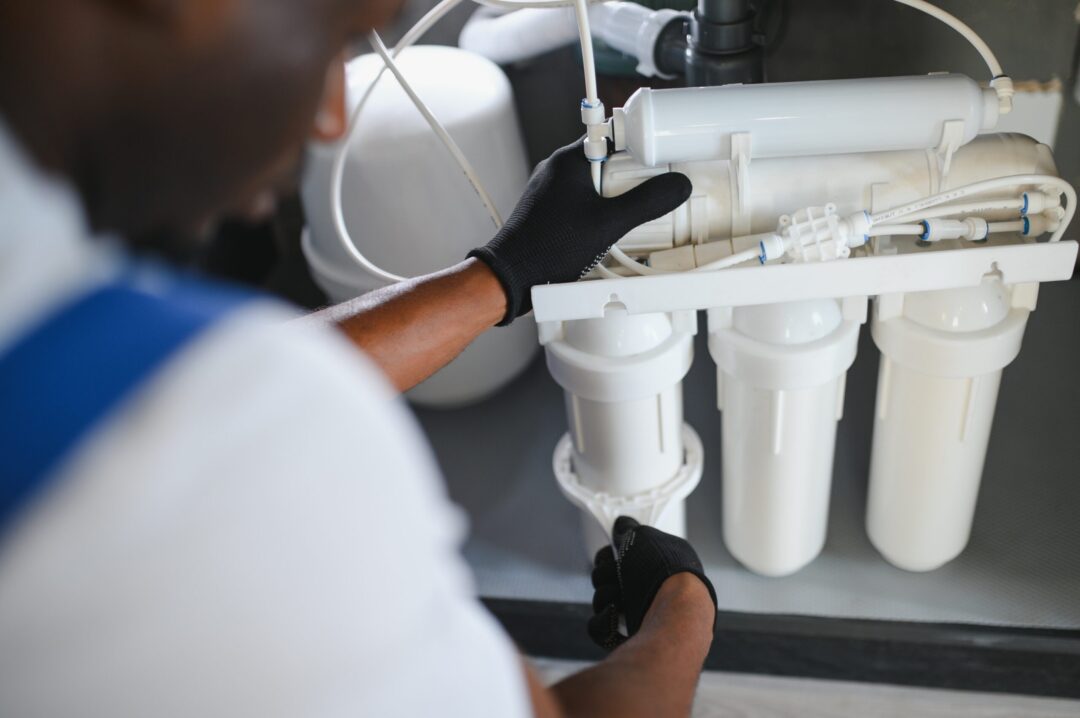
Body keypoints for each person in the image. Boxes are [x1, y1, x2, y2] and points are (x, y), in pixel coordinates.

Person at [0, 1, 718, 716]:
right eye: (334, 36)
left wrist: (505, 273)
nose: (330, 118)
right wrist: (683, 606)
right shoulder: (223, 479)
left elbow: (199, 382)